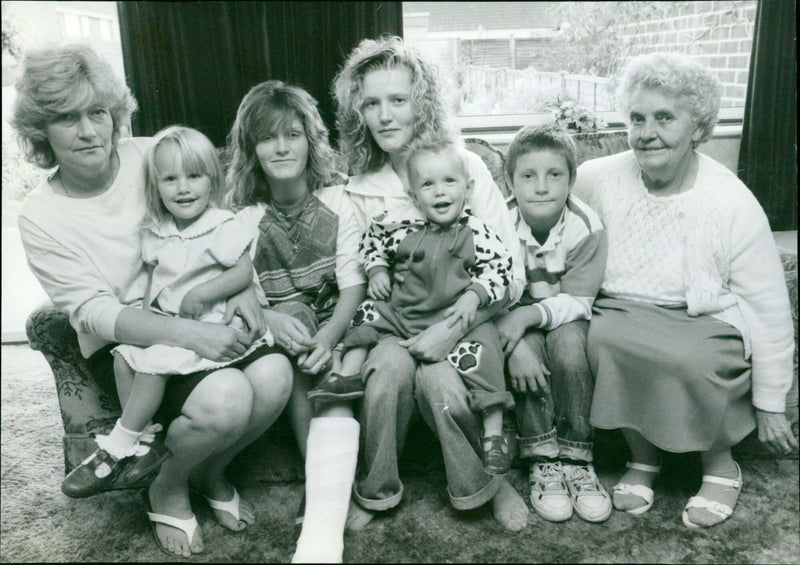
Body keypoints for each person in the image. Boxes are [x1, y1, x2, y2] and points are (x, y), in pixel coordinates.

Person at [13, 44, 293, 557]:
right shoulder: (40, 216)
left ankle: (207, 471)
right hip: (128, 348)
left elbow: (219, 226)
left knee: (276, 378)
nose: (89, 131)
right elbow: (95, 313)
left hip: (203, 314)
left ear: (114, 114)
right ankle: (166, 487)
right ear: (40, 130)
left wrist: (244, 289)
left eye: (98, 113)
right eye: (67, 118)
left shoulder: (151, 155)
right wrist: (191, 333)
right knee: (227, 396)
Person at [571, 52, 797, 528]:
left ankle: (720, 466)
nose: (646, 132)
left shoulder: (730, 200)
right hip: (622, 313)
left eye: (664, 118)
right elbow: (549, 221)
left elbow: (769, 305)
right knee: (603, 340)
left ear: (698, 127)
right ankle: (643, 459)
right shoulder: (597, 178)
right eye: (637, 118)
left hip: (704, 320)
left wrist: (771, 402)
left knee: (689, 357)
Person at [332, 35, 530, 532]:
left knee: (440, 382)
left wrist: (453, 327)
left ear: (422, 104)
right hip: (397, 321)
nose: (384, 116)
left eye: (398, 100)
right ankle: (376, 488)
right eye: (371, 104)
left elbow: (510, 274)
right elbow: (357, 275)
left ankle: (485, 481)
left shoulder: (466, 167)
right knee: (386, 377)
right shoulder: (360, 188)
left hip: (462, 318)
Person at [61, 125, 276, 498]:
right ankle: (145, 437)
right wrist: (148, 314)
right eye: (170, 179)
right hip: (173, 322)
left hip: (208, 322)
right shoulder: (155, 230)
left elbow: (242, 272)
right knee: (123, 358)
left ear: (213, 181)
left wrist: (203, 292)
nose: (183, 188)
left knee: (153, 365)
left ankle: (121, 441)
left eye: (194, 176)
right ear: (156, 187)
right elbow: (152, 278)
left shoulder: (220, 224)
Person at [312, 134, 516, 475]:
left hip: (453, 315)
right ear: (413, 195)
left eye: (449, 182)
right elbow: (372, 243)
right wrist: (377, 270)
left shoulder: (477, 232)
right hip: (403, 313)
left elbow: (500, 268)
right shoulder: (401, 225)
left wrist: (474, 295)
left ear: (467, 188)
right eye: (428, 185)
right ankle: (348, 374)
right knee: (368, 313)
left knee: (485, 352)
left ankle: (494, 434)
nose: (440, 192)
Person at [226, 80, 366, 563]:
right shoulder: (243, 217)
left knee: (330, 366)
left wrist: (330, 336)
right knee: (294, 336)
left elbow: (353, 285)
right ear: (251, 149)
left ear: (311, 140)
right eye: (268, 138)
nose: (282, 147)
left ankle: (326, 502)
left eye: (292, 134)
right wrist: (269, 318)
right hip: (278, 326)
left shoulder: (339, 200)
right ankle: (322, 494)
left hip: (336, 319)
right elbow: (237, 290)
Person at [495, 124, 611, 523]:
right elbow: (491, 293)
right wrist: (518, 331)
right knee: (526, 356)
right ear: (509, 181)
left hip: (566, 310)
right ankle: (541, 455)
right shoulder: (498, 222)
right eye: (528, 175)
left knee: (570, 350)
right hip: (511, 314)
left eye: (554, 174)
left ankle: (577, 456)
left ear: (571, 180)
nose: (541, 187)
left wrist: (530, 314)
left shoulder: (586, 225)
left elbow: (579, 301)